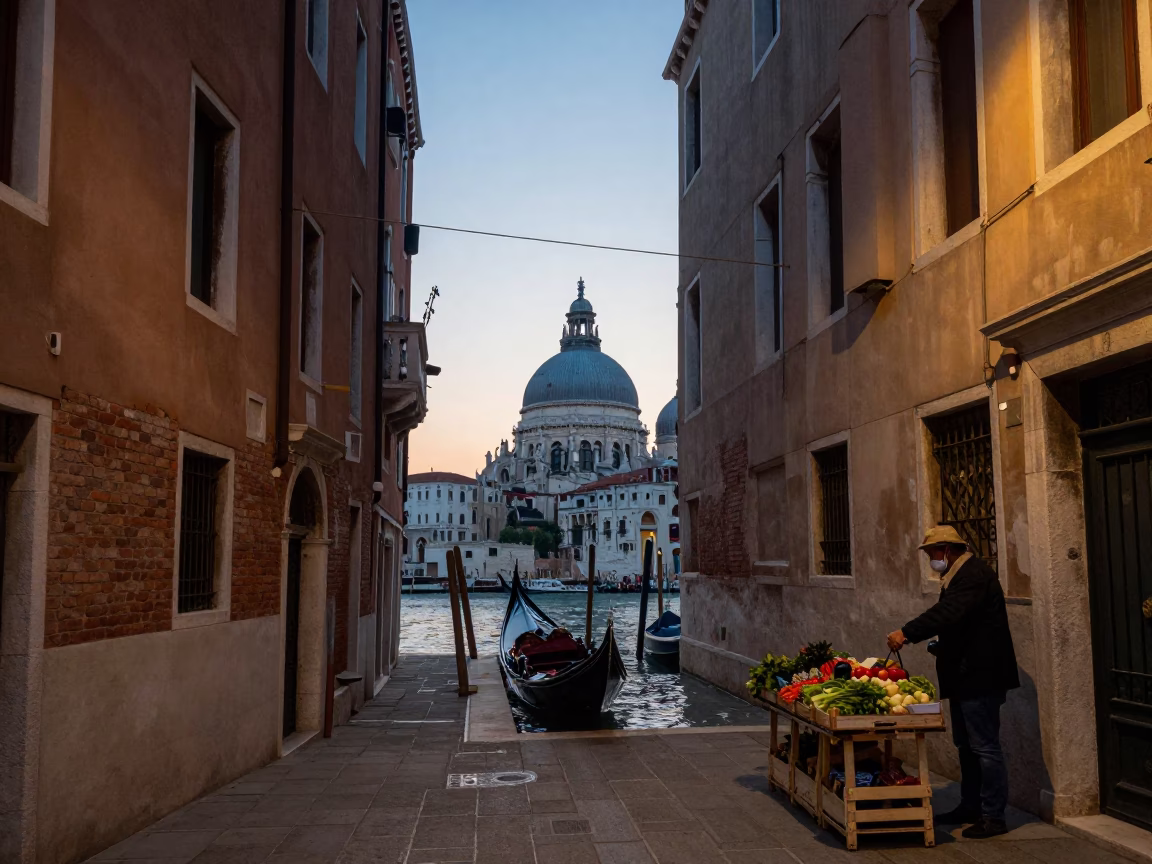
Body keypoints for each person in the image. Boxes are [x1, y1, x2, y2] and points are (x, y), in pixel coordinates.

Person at [886, 525, 1019, 839]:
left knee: (985, 748)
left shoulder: (973, 575)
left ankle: (993, 817)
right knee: (966, 746)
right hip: (964, 676)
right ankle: (970, 806)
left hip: (981, 677)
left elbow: (948, 612)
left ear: (946, 549)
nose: (930, 558)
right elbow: (958, 623)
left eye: (931, 552)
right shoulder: (959, 576)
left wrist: (907, 632)